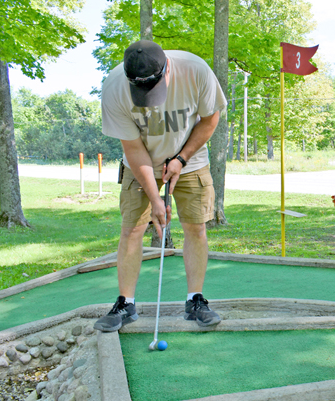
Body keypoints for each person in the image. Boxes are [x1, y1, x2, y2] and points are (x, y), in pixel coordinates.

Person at [94, 40, 227, 332]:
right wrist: (156, 200)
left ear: (167, 69)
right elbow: (133, 148)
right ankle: (125, 304)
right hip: (140, 165)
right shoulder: (114, 88)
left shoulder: (195, 71)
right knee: (132, 229)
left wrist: (181, 158)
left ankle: (196, 300)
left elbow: (210, 118)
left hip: (190, 161)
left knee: (195, 226)